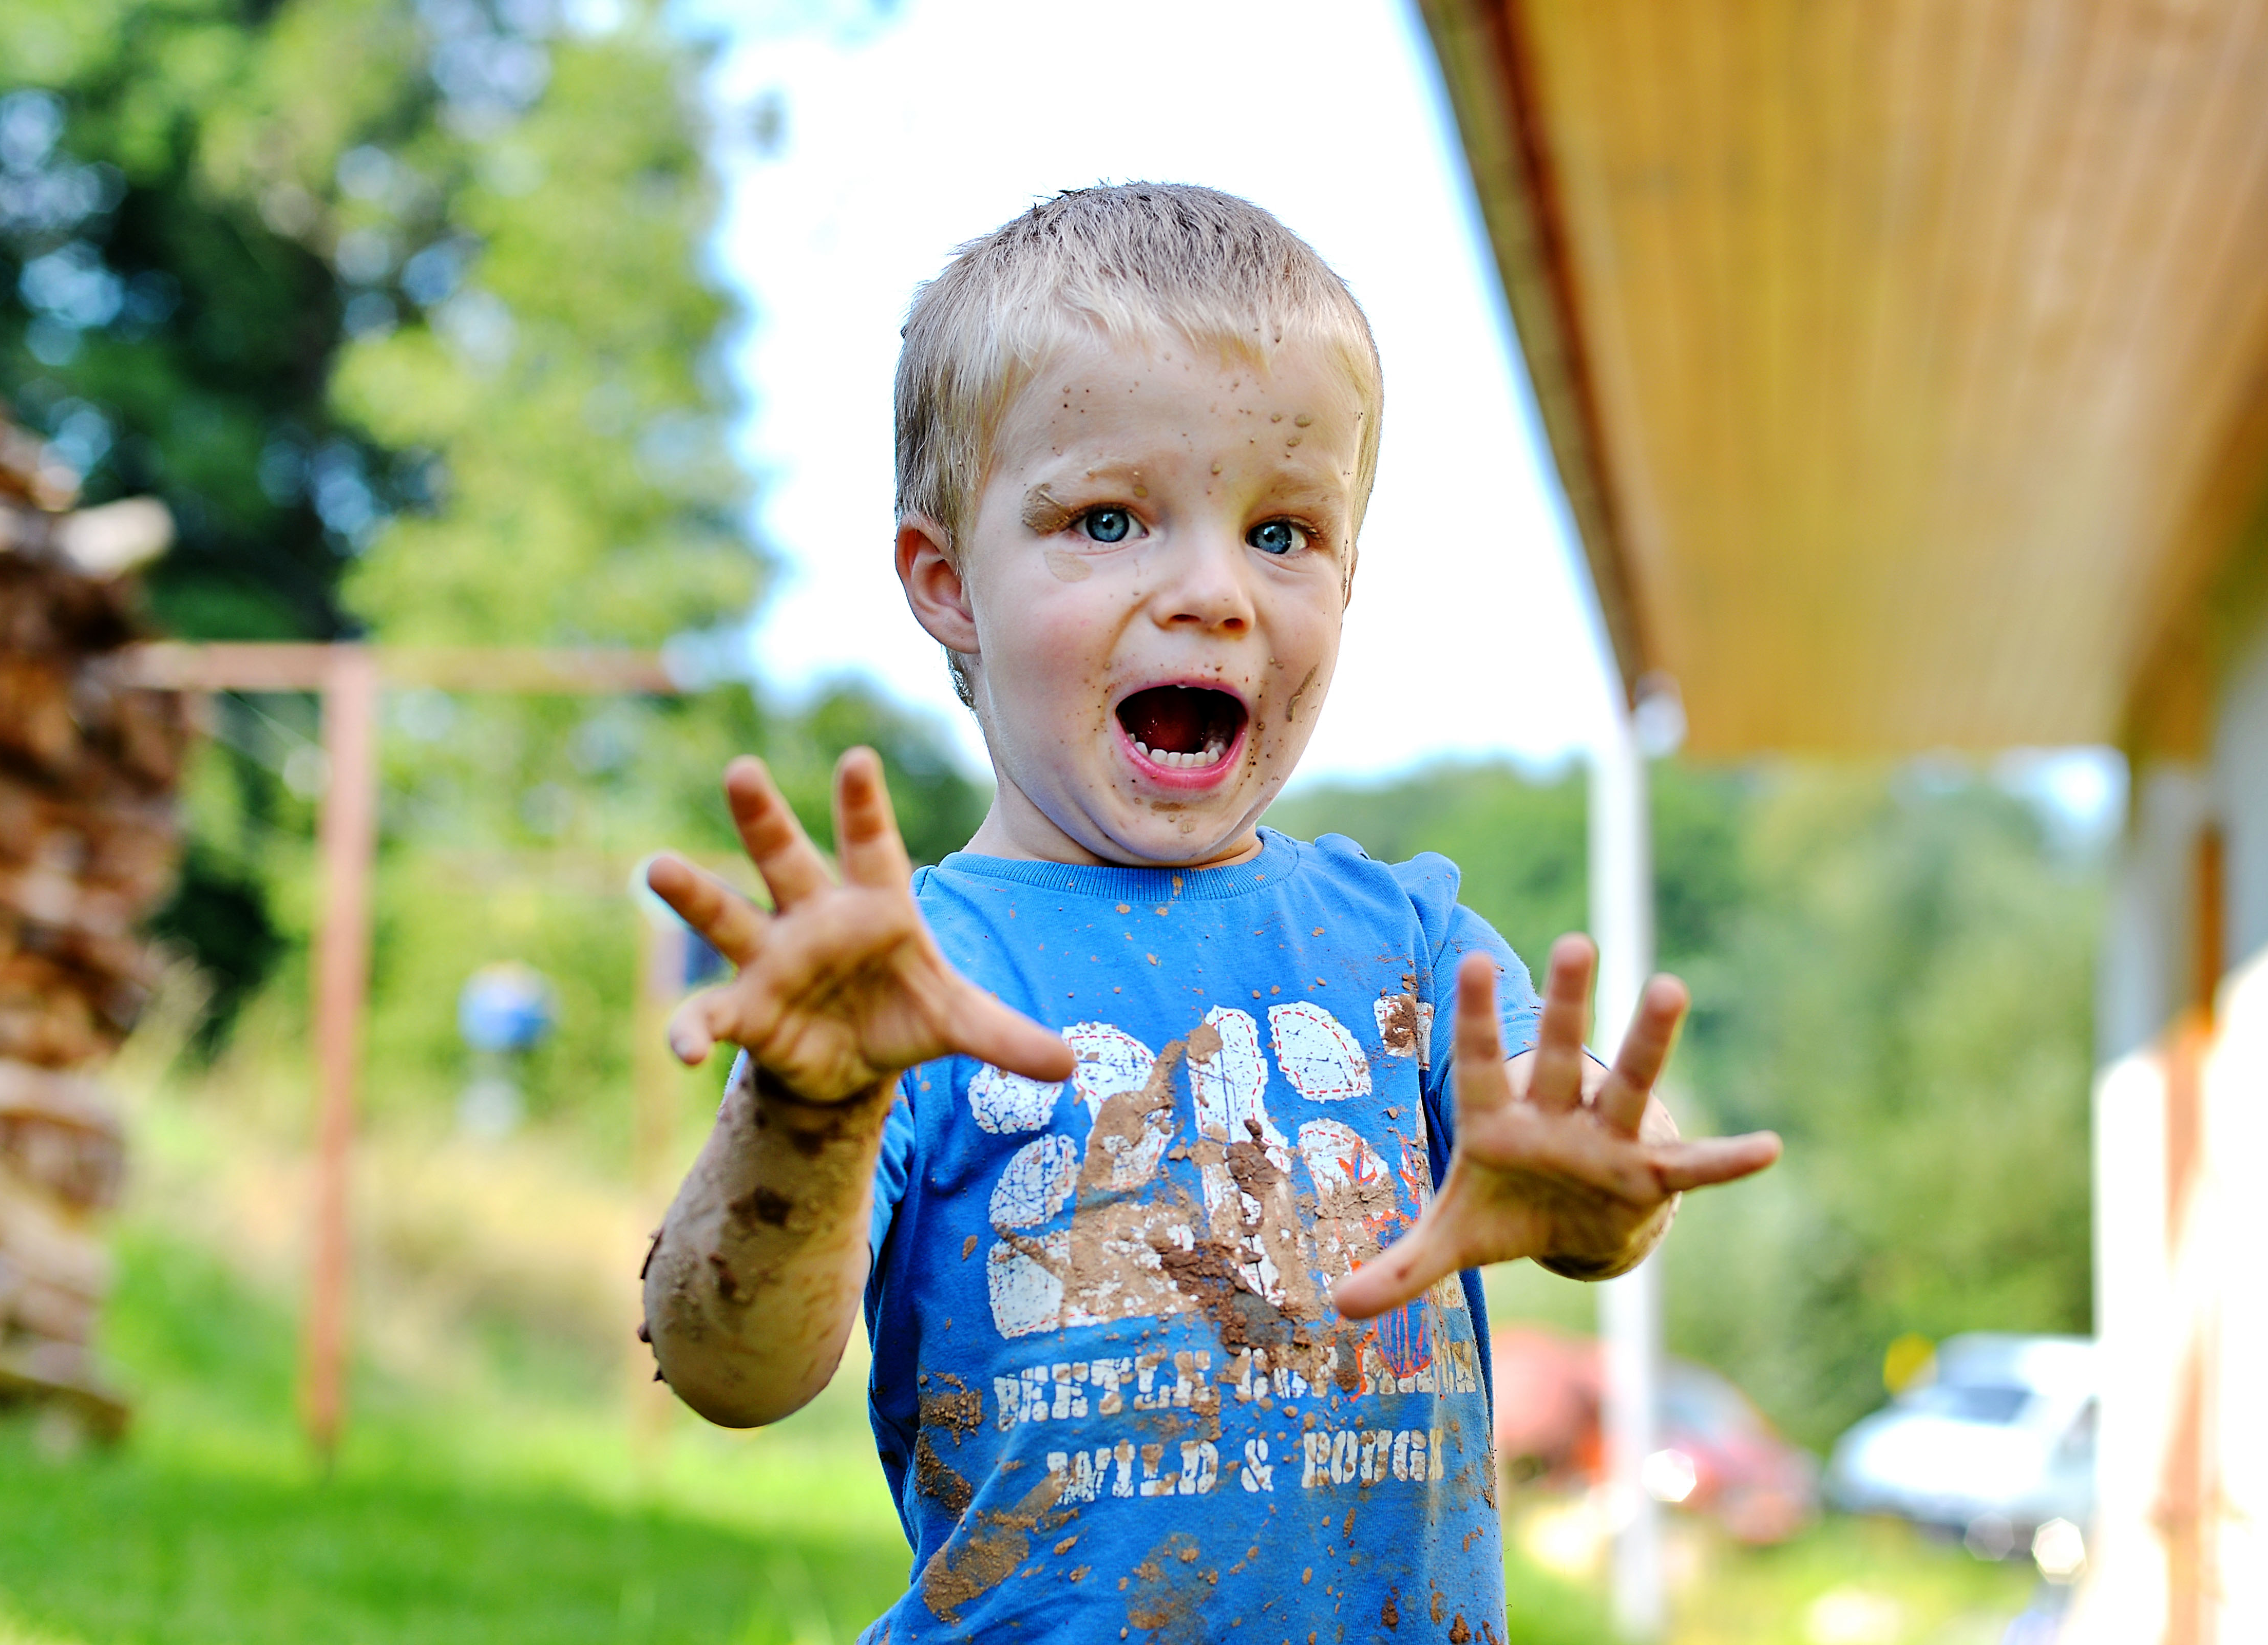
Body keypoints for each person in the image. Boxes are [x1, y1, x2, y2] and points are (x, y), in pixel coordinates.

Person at [638, 183, 1780, 1642]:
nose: (1212, 592)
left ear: (1350, 579)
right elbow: (731, 1369)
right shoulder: (906, 988)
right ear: (947, 582)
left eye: (1283, 532)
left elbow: (1604, 1164)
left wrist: (1605, 1189)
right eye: (1110, 520)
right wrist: (806, 1110)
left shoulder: (1410, 947)